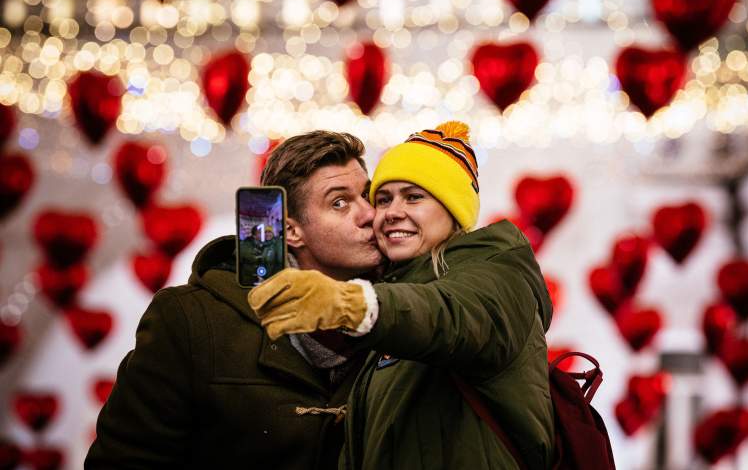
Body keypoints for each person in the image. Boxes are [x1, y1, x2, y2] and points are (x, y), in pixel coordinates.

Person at [250, 121, 555, 469]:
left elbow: (450, 316)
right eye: (382, 198)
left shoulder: (495, 271)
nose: (388, 212)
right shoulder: (397, 289)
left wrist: (355, 305)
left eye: (414, 196)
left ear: (452, 209)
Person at [85, 131, 383, 469]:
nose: (369, 214)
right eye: (339, 202)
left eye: (368, 195)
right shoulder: (187, 320)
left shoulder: (401, 311)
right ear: (291, 230)